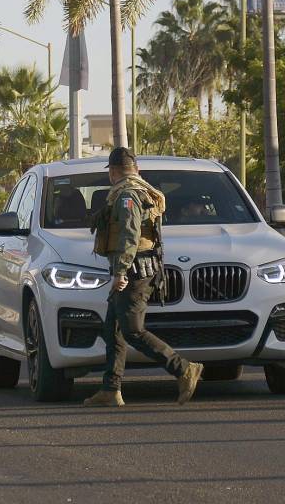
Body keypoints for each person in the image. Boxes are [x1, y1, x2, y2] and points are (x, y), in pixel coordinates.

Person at [85, 147, 203, 407]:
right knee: (112, 329)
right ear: (136, 170)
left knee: (132, 330)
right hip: (139, 267)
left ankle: (183, 369)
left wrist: (120, 272)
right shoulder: (141, 189)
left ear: (113, 172)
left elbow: (129, 235)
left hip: (134, 271)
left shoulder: (127, 195)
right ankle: (110, 388)